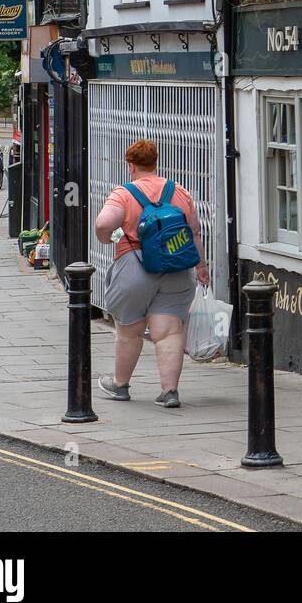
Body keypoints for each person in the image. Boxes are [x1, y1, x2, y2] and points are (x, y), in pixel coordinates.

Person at [93, 139, 210, 408]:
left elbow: (104, 222)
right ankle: (170, 392)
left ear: (131, 166)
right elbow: (194, 232)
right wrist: (201, 267)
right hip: (177, 267)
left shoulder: (124, 193)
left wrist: (105, 238)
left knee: (129, 330)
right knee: (169, 332)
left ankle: (120, 385)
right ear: (155, 162)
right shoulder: (178, 191)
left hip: (135, 266)